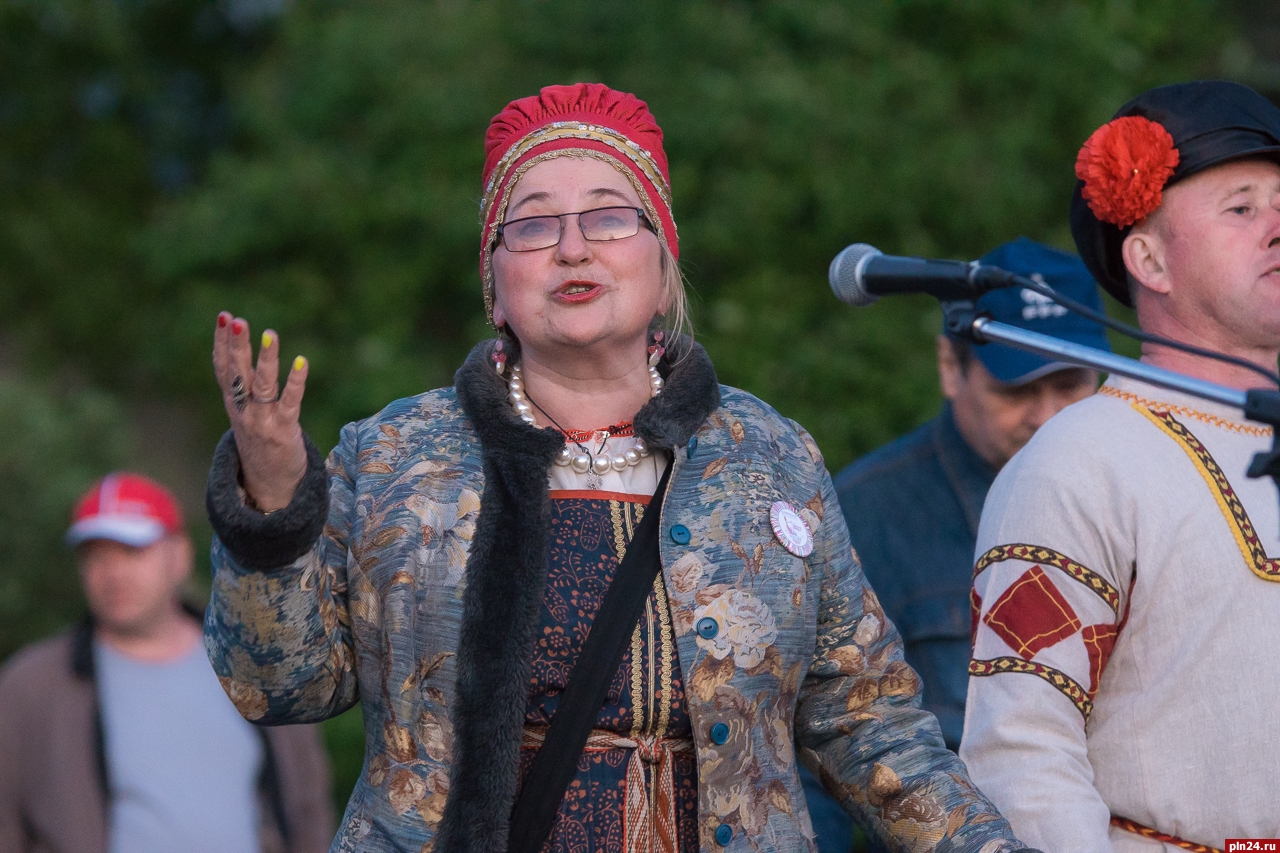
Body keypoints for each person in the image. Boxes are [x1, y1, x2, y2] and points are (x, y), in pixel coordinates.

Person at [201, 83, 1039, 853]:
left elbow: (870, 722)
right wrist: (271, 504)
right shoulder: (394, 456)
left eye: (608, 217)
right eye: (533, 225)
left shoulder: (769, 454)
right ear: (494, 286)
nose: (573, 248)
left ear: (662, 265)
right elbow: (277, 686)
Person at [961, 80, 1280, 851]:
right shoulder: (1077, 462)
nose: (1277, 228)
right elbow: (1023, 753)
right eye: (1242, 209)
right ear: (1149, 259)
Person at [798, 239, 1108, 853]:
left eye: (1071, 386)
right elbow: (813, 755)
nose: (1048, 417)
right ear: (950, 366)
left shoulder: (1141, 496)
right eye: (1017, 390)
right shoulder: (863, 514)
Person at [0, 472, 335, 853]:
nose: (114, 573)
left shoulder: (259, 665)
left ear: (179, 555)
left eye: (131, 551)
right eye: (96, 556)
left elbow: (307, 805)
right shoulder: (32, 686)